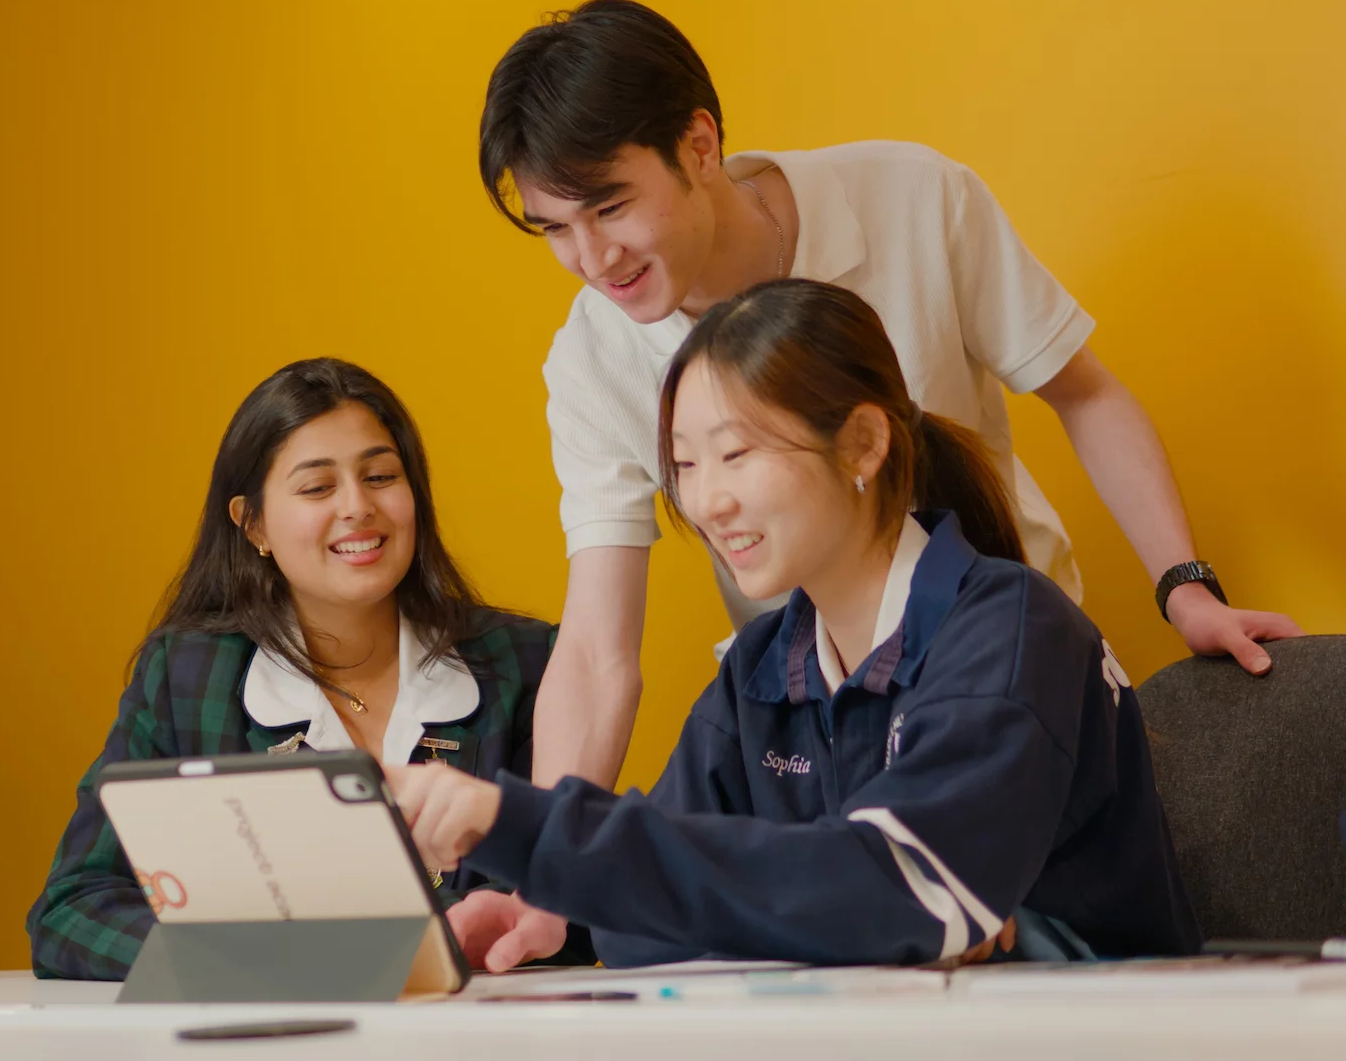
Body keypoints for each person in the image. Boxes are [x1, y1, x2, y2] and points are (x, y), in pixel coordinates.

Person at [479, 0, 1301, 802]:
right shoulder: (594, 356)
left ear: (698, 145)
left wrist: (1184, 588)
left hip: (1008, 679)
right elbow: (594, 650)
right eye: (553, 228)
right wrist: (547, 870)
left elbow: (1085, 395)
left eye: (610, 207)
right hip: (817, 737)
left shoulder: (915, 196)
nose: (591, 257)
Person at [389, 280, 1203, 967]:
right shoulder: (761, 667)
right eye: (686, 464)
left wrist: (521, 825)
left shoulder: (1014, 631)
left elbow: (904, 890)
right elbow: (658, 915)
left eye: (736, 455)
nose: (707, 501)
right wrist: (558, 908)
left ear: (861, 444)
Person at [27, 358, 562, 980]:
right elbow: (72, 908)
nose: (358, 507)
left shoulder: (523, 661)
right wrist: (251, 958)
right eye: (316, 488)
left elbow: (572, 904)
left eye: (381, 476)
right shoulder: (186, 678)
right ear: (252, 524)